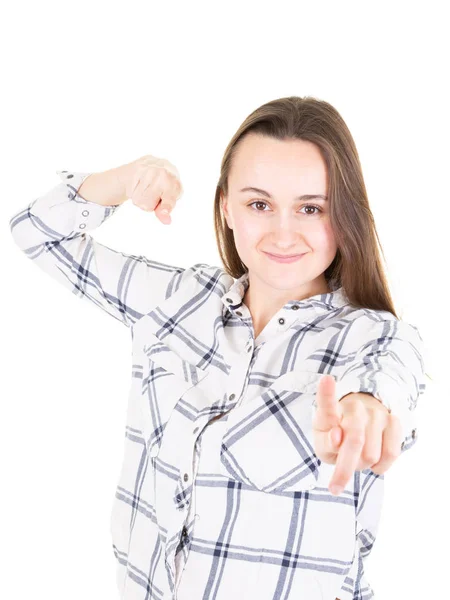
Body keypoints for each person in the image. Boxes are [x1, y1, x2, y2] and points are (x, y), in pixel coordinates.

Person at [9, 96, 426, 600]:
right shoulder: (176, 299)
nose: (283, 232)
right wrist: (127, 178)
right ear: (226, 206)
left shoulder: (374, 336)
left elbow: (390, 380)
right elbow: (38, 232)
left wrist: (365, 407)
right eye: (259, 204)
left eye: (311, 208)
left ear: (345, 217)